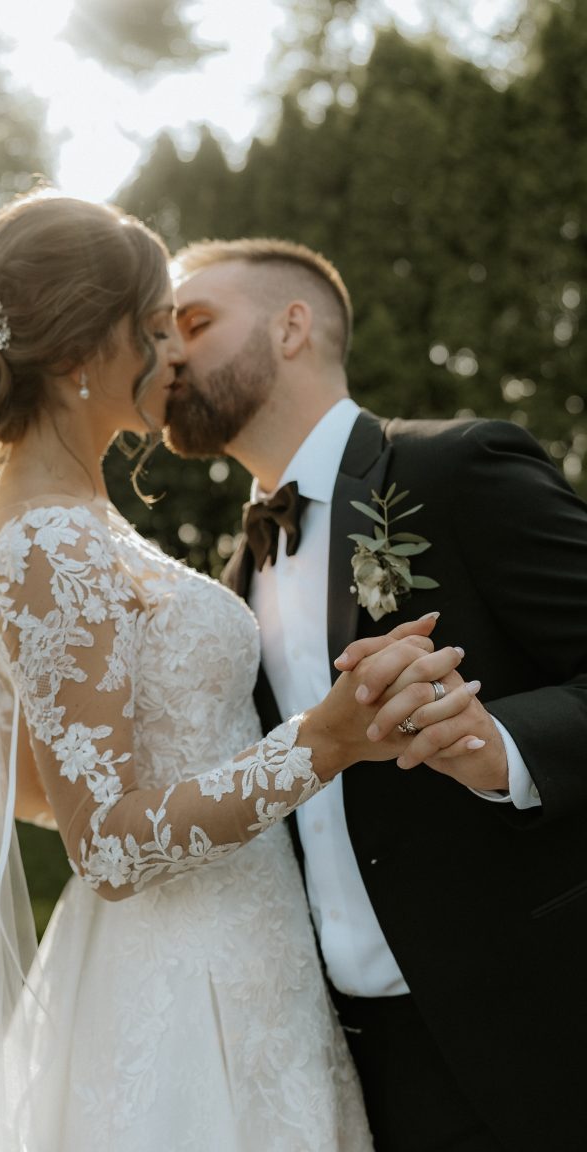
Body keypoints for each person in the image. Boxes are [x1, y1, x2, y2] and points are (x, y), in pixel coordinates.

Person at [0, 196, 484, 1152]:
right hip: (183, 987)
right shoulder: (44, 541)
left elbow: (39, 788)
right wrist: (322, 742)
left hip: (249, 957)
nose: (176, 353)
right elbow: (109, 851)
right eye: (157, 327)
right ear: (88, 349)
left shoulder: (76, 520)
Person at [165, 236, 587, 1152]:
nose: (170, 353)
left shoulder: (457, 468)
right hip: (350, 1064)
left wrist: (501, 747)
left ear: (291, 327)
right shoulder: (228, 585)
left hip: (536, 1026)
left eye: (194, 323)